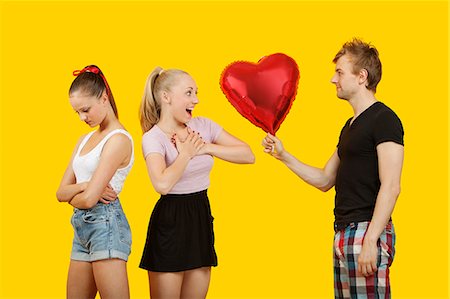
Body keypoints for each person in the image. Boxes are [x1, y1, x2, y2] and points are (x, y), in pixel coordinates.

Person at [262, 39, 404, 298]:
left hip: (366, 231)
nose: (332, 79)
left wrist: (371, 240)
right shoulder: (350, 127)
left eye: (339, 72)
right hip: (343, 233)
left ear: (362, 76)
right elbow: (325, 179)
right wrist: (283, 155)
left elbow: (392, 186)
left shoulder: (384, 119)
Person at [139, 67, 255, 299]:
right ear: (166, 97)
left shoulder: (204, 126)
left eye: (196, 93)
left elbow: (248, 155)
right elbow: (161, 184)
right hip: (170, 221)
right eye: (189, 93)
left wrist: (206, 147)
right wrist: (186, 155)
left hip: (200, 216)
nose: (196, 100)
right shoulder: (153, 138)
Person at [56, 65, 134, 299]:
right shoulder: (84, 139)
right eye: (77, 112)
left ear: (104, 98)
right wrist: (84, 186)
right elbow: (60, 193)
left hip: (106, 225)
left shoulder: (118, 139)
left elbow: (90, 200)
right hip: (81, 228)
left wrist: (82, 193)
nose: (82, 118)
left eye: (86, 110)